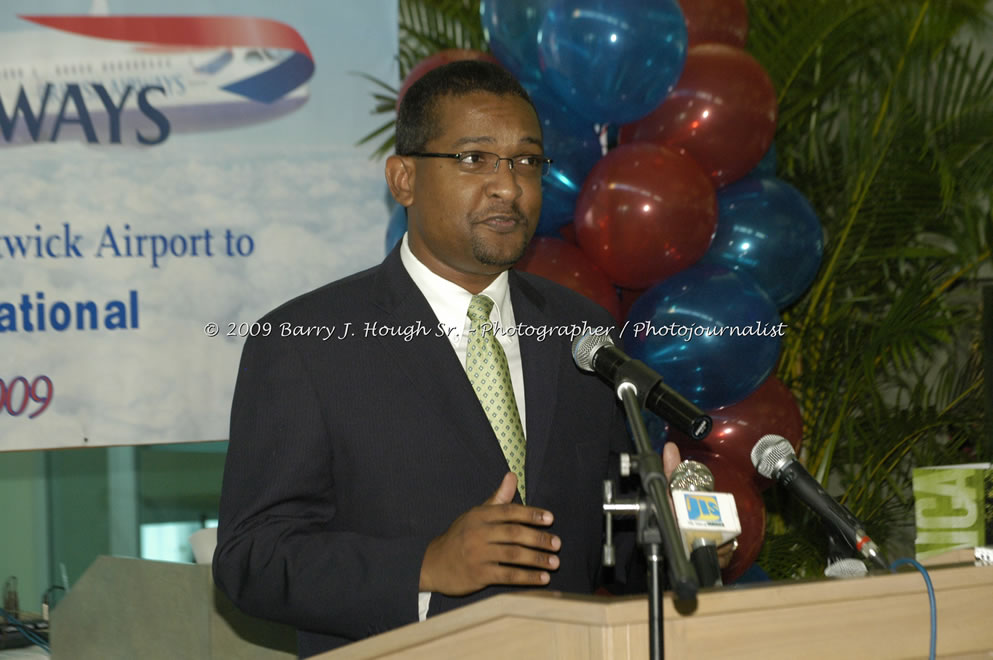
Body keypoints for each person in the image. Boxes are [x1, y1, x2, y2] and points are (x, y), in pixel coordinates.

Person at [212, 60, 721, 658]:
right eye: (475, 158)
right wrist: (426, 566)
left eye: (527, 161)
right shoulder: (305, 343)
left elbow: (613, 548)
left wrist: (680, 542)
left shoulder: (582, 334)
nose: (508, 186)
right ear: (403, 179)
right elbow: (252, 557)